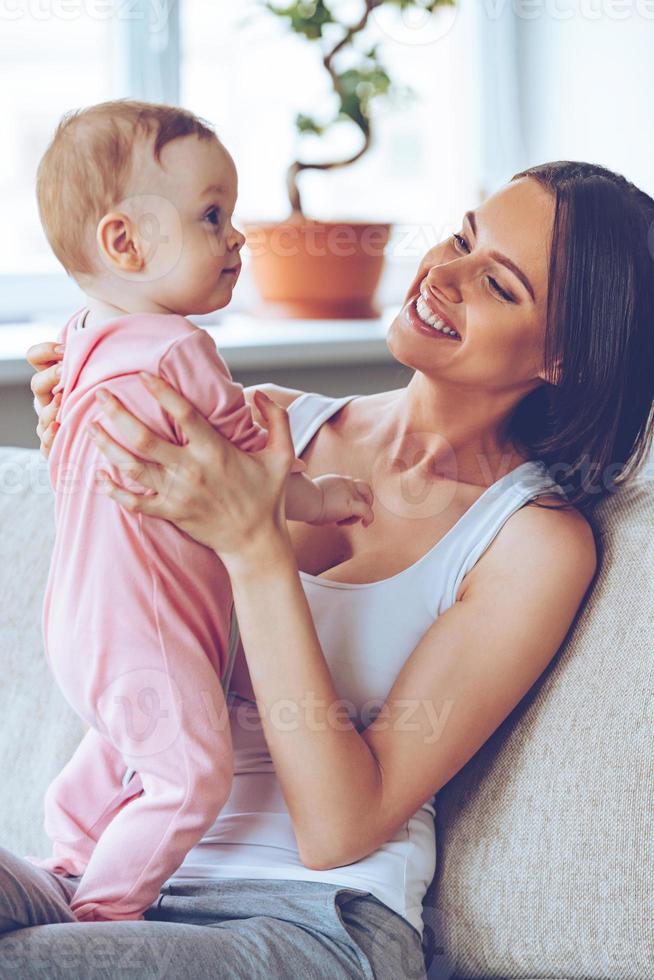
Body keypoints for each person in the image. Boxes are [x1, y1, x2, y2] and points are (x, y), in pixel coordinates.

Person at [3, 161, 653, 980]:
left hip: (314, 918)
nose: (441, 275)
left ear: (563, 355)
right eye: (461, 236)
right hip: (119, 873)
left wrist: (256, 546)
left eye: (495, 281)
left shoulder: (532, 544)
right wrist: (85, 420)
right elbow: (124, 597)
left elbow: (339, 828)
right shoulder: (263, 421)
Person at [25, 100, 373, 925]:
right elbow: (251, 472)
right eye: (211, 215)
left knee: (121, 744)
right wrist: (317, 497)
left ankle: (70, 857)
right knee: (189, 773)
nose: (238, 237)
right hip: (148, 628)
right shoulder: (182, 351)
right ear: (125, 242)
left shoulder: (81, 342)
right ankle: (103, 918)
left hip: (79, 623)